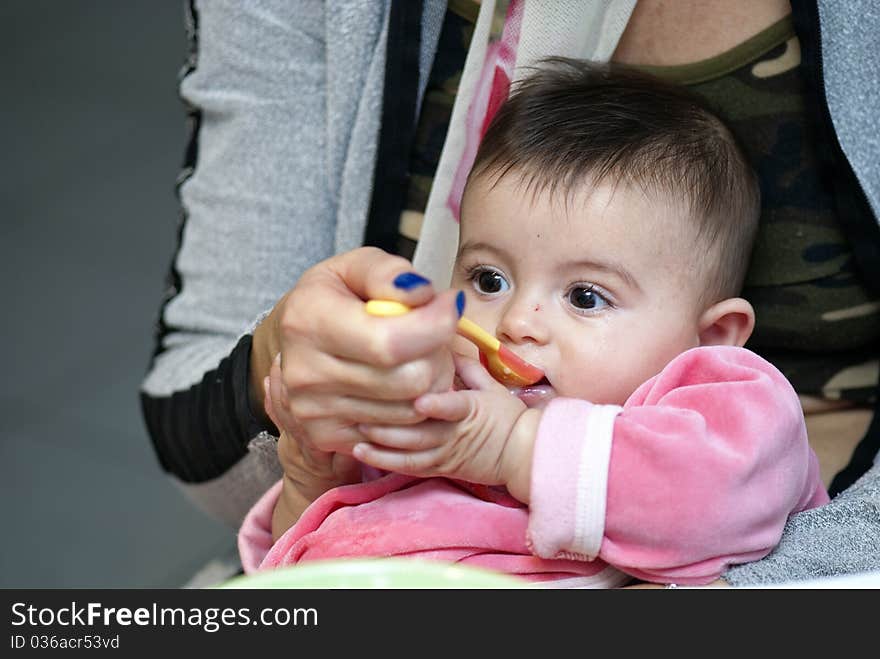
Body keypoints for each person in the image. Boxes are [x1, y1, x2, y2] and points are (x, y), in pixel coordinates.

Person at [141, 0, 879, 586]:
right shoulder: (443, 391)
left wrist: (513, 445)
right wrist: (310, 478)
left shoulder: (712, 406)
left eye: (586, 297)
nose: (517, 320)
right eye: (488, 279)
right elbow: (323, 549)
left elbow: (722, 502)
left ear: (713, 333)